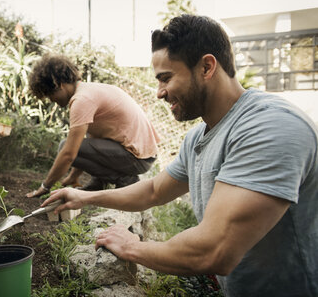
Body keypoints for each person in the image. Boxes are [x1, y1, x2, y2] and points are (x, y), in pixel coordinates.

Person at [43, 15, 317, 296]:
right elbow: (153, 191)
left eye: (166, 78)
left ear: (207, 67)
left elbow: (215, 250)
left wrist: (132, 247)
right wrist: (84, 196)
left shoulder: (271, 127)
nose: (159, 92)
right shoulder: (198, 137)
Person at [26, 54, 160, 198]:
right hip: (142, 155)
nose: (52, 100)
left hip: (137, 159)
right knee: (72, 145)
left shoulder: (82, 100)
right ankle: (99, 182)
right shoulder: (89, 90)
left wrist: (45, 186)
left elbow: (69, 154)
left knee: (63, 146)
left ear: (59, 84)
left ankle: (125, 179)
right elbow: (90, 143)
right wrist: (73, 176)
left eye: (50, 94)